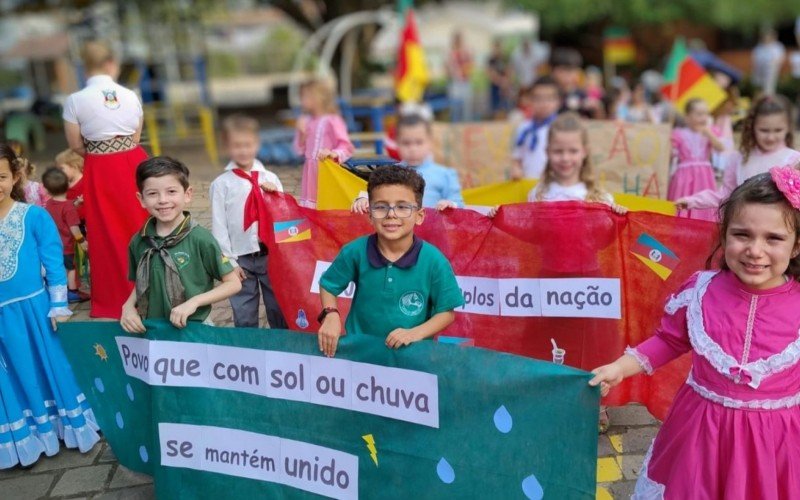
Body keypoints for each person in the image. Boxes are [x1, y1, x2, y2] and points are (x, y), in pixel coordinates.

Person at [590, 168, 800, 498]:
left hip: (775, 443)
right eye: (742, 234)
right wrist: (619, 368)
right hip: (702, 434)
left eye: (773, 238)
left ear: (796, 246)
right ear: (724, 235)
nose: (755, 250)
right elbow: (669, 340)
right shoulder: (701, 291)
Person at [0, 143, 100, 469]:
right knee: (13, 375)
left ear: (15, 175)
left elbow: (54, 263)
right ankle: (28, 434)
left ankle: (61, 426)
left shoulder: (33, 215)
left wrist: (58, 305)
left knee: (46, 366)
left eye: (0, 176)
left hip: (34, 312)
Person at [318, 165, 465, 357]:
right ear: (370, 215)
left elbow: (447, 312)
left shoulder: (434, 261)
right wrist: (330, 314)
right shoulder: (354, 251)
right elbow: (328, 285)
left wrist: (415, 333)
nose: (391, 214)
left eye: (402, 207)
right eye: (381, 206)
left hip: (410, 359)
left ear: (419, 216)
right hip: (360, 355)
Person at [63, 40, 148, 319]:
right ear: (112, 63)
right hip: (133, 162)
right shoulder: (131, 95)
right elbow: (136, 137)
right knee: (141, 223)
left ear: (84, 66)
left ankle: (116, 298)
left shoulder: (74, 100)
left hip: (100, 167)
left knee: (106, 231)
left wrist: (100, 151)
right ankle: (153, 291)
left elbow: (75, 144)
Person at [120, 157, 241, 333]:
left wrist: (194, 302)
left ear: (187, 194)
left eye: (171, 191)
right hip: (153, 328)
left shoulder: (200, 238)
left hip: (195, 328)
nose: (162, 200)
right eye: (153, 193)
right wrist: (129, 306)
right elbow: (142, 282)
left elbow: (233, 283)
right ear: (141, 199)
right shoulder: (138, 241)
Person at [210, 114, 288, 329]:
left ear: (257, 144)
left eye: (248, 145)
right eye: (236, 146)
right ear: (226, 147)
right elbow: (219, 227)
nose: (243, 150)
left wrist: (276, 198)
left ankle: (281, 350)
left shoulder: (270, 178)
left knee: (278, 309)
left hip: (270, 256)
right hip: (240, 259)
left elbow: (284, 218)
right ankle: (248, 354)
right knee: (243, 313)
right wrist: (229, 264)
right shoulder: (221, 184)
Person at [676, 95, 800, 213]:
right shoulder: (738, 158)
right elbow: (726, 194)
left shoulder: (794, 160)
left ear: (788, 128)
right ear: (752, 127)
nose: (770, 137)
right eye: (764, 130)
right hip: (743, 226)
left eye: (778, 130)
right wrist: (692, 201)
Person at [351, 113, 464, 212]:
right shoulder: (392, 172)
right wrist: (363, 199)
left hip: (433, 233)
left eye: (419, 143)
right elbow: (374, 193)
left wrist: (450, 204)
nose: (412, 149)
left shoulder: (445, 175)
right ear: (397, 144)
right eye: (406, 143)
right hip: (398, 231)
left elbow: (460, 205)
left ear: (430, 143)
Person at [293, 79, 354, 208]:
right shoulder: (307, 120)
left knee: (326, 205)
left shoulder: (332, 120)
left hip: (325, 171)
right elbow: (300, 150)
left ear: (317, 98)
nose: (301, 100)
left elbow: (347, 146)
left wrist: (332, 153)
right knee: (311, 206)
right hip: (310, 171)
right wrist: (301, 133)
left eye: (305, 96)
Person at [667, 98, 726, 221]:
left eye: (706, 114)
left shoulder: (710, 132)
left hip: (704, 176)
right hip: (684, 175)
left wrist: (709, 134)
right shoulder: (678, 133)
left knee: (703, 202)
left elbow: (721, 147)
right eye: (699, 114)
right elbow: (671, 153)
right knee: (682, 202)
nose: (703, 118)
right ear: (687, 117)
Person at [42, 167, 89, 304]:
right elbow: (74, 228)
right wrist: (82, 241)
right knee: (72, 268)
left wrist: (76, 203)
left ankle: (61, 290)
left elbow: (62, 208)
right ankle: (73, 292)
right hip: (67, 245)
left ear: (46, 189)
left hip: (53, 244)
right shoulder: (68, 207)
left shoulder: (49, 204)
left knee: (60, 267)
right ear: (68, 184)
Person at [510, 76, 561, 180]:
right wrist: (516, 170)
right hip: (528, 184)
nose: (543, 103)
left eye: (549, 98)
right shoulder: (523, 128)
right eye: (538, 98)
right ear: (530, 100)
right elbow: (517, 157)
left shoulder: (561, 127)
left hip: (554, 183)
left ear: (558, 101)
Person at [446, 30, 474, 122]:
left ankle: (466, 126)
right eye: (456, 40)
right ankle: (456, 125)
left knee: (467, 109)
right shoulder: (451, 53)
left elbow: (470, 65)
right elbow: (448, 68)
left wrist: (465, 71)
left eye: (459, 40)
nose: (458, 42)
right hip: (455, 83)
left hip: (465, 82)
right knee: (456, 109)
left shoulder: (466, 52)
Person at [55, 148, 86, 224]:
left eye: (61, 169)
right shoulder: (63, 185)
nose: (58, 172)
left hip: (85, 222)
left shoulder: (85, 182)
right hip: (72, 223)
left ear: (74, 166)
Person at [752, 29, 785, 96]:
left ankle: (768, 98)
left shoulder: (777, 46)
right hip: (760, 70)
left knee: (769, 87)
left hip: (771, 70)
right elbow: (755, 59)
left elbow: (780, 58)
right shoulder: (759, 47)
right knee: (759, 86)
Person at [486, 39, 511, 118]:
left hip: (505, 86)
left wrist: (505, 82)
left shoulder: (505, 59)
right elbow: (490, 73)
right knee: (495, 107)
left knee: (506, 105)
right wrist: (499, 81)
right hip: (495, 86)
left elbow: (509, 70)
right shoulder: (491, 59)